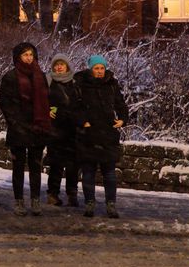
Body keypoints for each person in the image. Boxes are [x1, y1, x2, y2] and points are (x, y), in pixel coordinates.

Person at [0, 42, 51, 216]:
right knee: (18, 168)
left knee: (36, 167)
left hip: (37, 128)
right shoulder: (10, 77)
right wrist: (16, 124)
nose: (29, 58)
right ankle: (19, 201)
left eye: (31, 55)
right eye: (25, 55)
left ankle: (35, 200)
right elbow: (5, 104)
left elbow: (47, 100)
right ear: (18, 57)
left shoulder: (40, 76)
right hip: (18, 129)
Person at [74, 54, 128, 218]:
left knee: (109, 173)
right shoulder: (81, 84)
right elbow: (75, 106)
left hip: (107, 134)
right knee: (88, 172)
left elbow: (120, 103)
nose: (99, 71)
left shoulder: (111, 84)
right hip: (89, 134)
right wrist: (83, 121)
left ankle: (110, 204)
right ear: (91, 69)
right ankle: (89, 203)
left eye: (102, 68)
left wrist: (123, 120)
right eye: (96, 68)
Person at [45, 54, 83, 207]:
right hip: (55, 129)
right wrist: (47, 109)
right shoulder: (48, 81)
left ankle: (72, 194)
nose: (59, 67)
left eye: (62, 64)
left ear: (67, 66)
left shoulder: (75, 83)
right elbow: (41, 100)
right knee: (56, 164)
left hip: (73, 129)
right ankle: (53, 194)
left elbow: (81, 103)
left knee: (74, 164)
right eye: (56, 64)